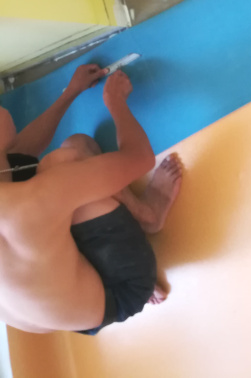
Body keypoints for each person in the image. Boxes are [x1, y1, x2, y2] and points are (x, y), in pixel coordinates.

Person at [0, 64, 182, 335]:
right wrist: (115, 101)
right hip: (120, 290)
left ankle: (86, 287)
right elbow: (140, 157)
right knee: (72, 154)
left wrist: (70, 93)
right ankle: (148, 214)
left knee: (46, 186)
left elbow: (21, 151)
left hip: (60, 309)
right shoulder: (34, 199)